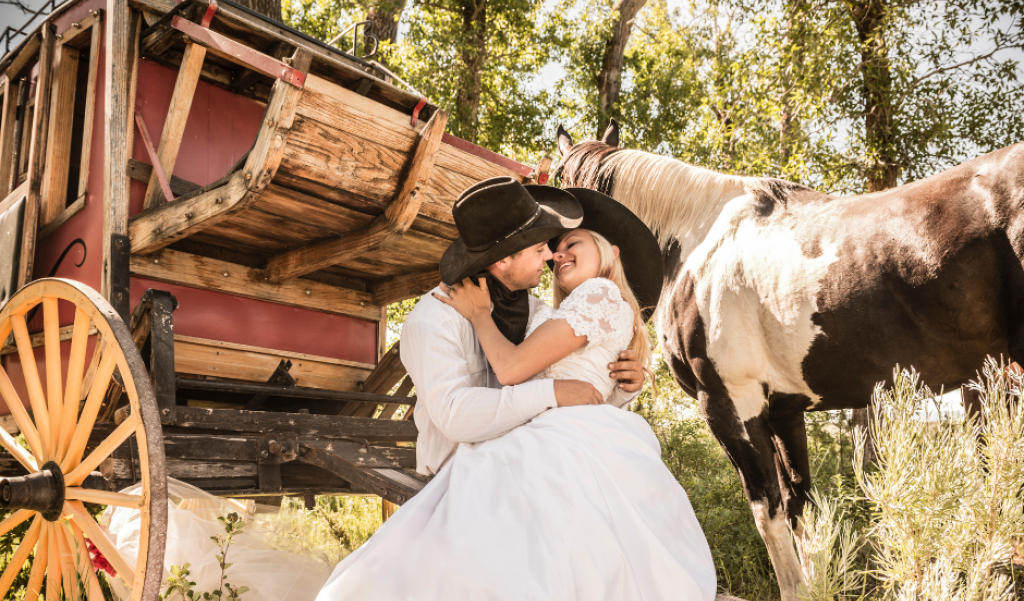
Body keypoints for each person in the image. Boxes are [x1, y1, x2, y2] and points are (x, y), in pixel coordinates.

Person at [315, 177, 715, 600]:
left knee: (579, 539)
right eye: (539, 246)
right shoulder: (432, 320)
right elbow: (458, 416)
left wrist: (620, 387)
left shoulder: (540, 313)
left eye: (555, 244)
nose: (551, 255)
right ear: (502, 261)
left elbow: (579, 385)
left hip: (534, 451)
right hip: (464, 460)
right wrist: (554, 393)